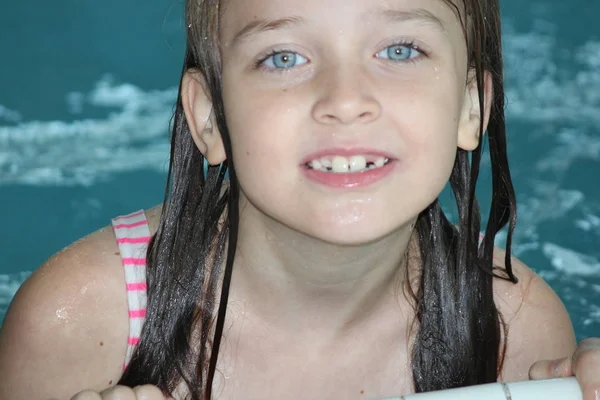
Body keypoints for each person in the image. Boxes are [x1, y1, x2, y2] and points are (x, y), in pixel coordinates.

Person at [1, 0, 599, 398]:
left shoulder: (512, 331)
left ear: (472, 108)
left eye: (400, 50)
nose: (345, 99)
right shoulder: (80, 325)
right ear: (209, 117)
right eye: (283, 57)